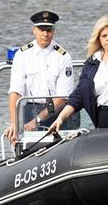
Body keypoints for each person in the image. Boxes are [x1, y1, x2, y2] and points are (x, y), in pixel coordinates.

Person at [4, 10, 76, 145]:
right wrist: (14, 123)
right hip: (31, 110)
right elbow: (15, 91)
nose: (45, 34)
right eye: (42, 29)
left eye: (49, 29)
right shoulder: (22, 54)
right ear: (34, 30)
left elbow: (62, 98)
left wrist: (36, 121)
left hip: (57, 113)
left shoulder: (63, 56)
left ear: (54, 31)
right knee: (25, 149)